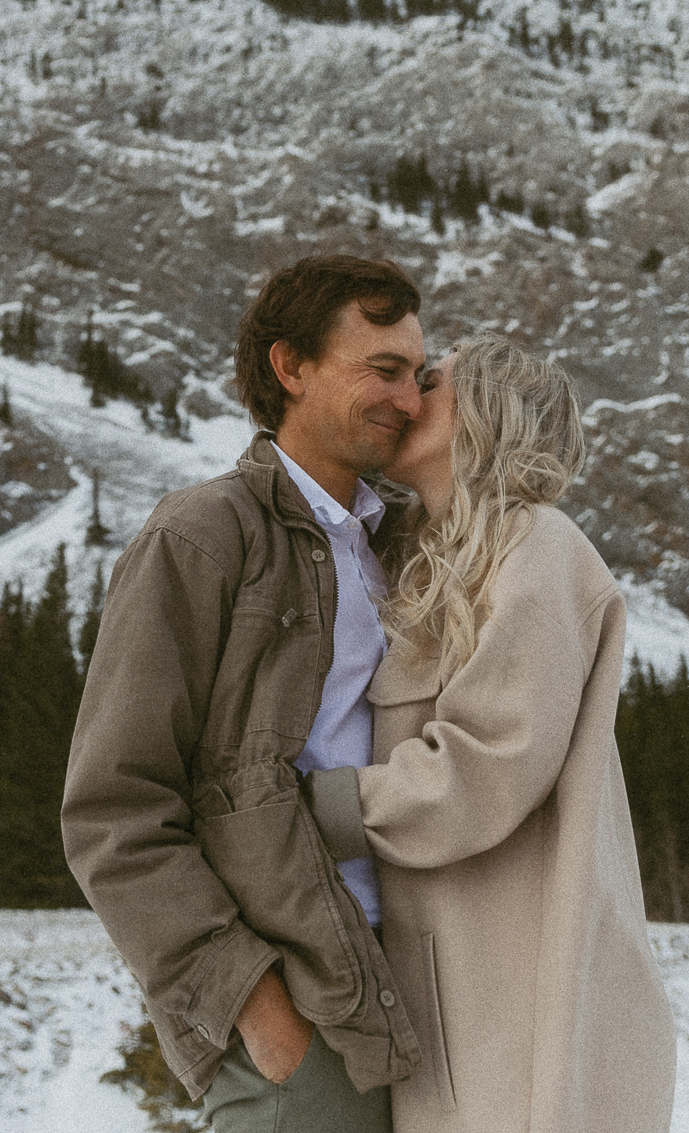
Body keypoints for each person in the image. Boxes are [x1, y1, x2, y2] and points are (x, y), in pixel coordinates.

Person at [63, 254, 430, 1132]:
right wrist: (254, 1005)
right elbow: (113, 811)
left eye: (418, 375)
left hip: (415, 990)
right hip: (301, 1014)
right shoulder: (201, 538)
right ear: (290, 366)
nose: (410, 400)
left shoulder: (402, 543)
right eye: (382, 370)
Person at [302, 333, 677, 1132]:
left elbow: (484, 766)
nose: (407, 395)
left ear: (486, 415)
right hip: (457, 988)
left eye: (432, 381)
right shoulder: (412, 556)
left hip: (521, 985)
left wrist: (315, 808)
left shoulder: (537, 549)